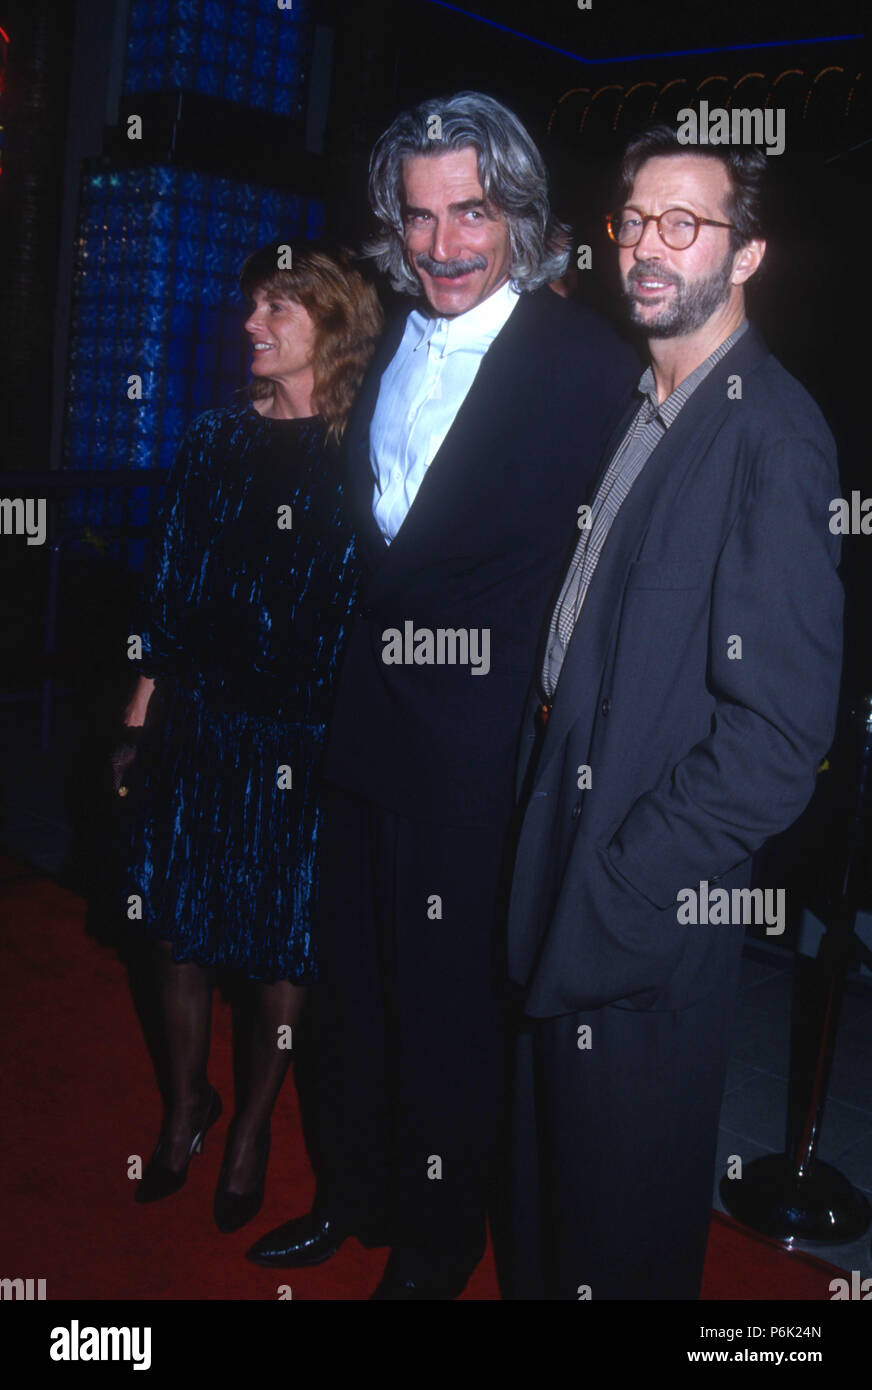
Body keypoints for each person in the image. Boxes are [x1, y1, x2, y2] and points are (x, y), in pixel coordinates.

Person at [248, 91, 638, 1297]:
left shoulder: (585, 366)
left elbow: (619, 565)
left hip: (477, 762)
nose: (442, 244)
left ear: (515, 215)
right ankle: (350, 1191)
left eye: (468, 211)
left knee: (448, 1019)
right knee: (351, 1000)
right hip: (360, 736)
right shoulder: (383, 349)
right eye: (418, 218)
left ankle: (432, 1243)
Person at [505, 124, 844, 1299]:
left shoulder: (770, 435)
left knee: (619, 1223)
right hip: (564, 856)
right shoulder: (641, 402)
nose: (648, 249)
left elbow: (777, 741)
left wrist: (627, 878)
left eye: (684, 224)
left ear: (744, 253)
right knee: (548, 1200)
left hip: (641, 907)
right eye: (634, 221)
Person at [115, 242, 382, 1233]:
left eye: (277, 308)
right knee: (176, 928)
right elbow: (169, 589)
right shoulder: (213, 439)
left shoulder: (366, 456)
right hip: (203, 720)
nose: (250, 324)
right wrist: (140, 718)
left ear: (332, 323)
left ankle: (252, 1127)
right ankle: (188, 1103)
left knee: (280, 945)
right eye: (253, 305)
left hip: (302, 740)